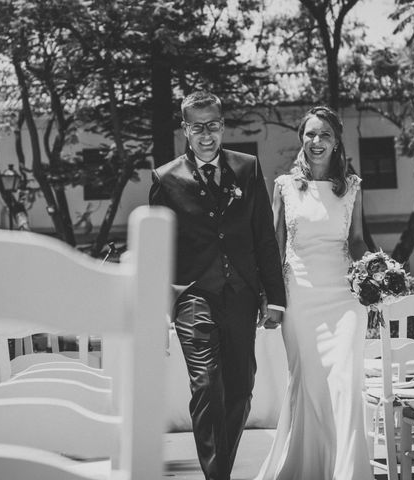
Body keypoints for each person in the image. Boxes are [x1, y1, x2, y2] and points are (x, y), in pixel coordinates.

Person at [149, 91, 286, 480]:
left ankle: (219, 470)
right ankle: (218, 477)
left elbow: (263, 237)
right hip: (193, 296)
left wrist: (274, 298)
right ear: (185, 130)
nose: (206, 135)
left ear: (222, 126)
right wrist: (160, 305)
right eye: (197, 127)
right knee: (207, 384)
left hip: (241, 294)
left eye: (212, 126)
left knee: (241, 389)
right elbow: (159, 248)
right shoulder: (165, 178)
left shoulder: (247, 168)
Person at [255, 106, 373, 480]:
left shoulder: (352, 187)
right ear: (301, 139)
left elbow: (356, 240)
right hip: (299, 295)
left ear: (337, 141)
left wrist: (375, 271)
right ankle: (305, 467)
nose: (317, 141)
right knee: (308, 381)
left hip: (344, 297)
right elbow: (274, 244)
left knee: (344, 380)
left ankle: (346, 471)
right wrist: (270, 298)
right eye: (310, 134)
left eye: (324, 135)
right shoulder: (285, 187)